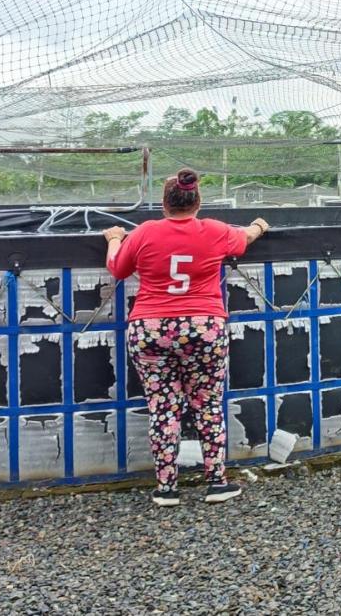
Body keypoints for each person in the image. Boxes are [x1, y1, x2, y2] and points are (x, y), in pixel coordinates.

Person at [103, 168, 269, 507]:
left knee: (163, 408)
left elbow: (117, 268)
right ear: (198, 201)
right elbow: (245, 239)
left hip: (150, 328)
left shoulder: (145, 232)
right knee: (207, 404)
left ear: (164, 204)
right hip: (203, 327)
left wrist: (114, 238)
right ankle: (217, 483)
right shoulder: (214, 231)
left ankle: (166, 488)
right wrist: (259, 226)